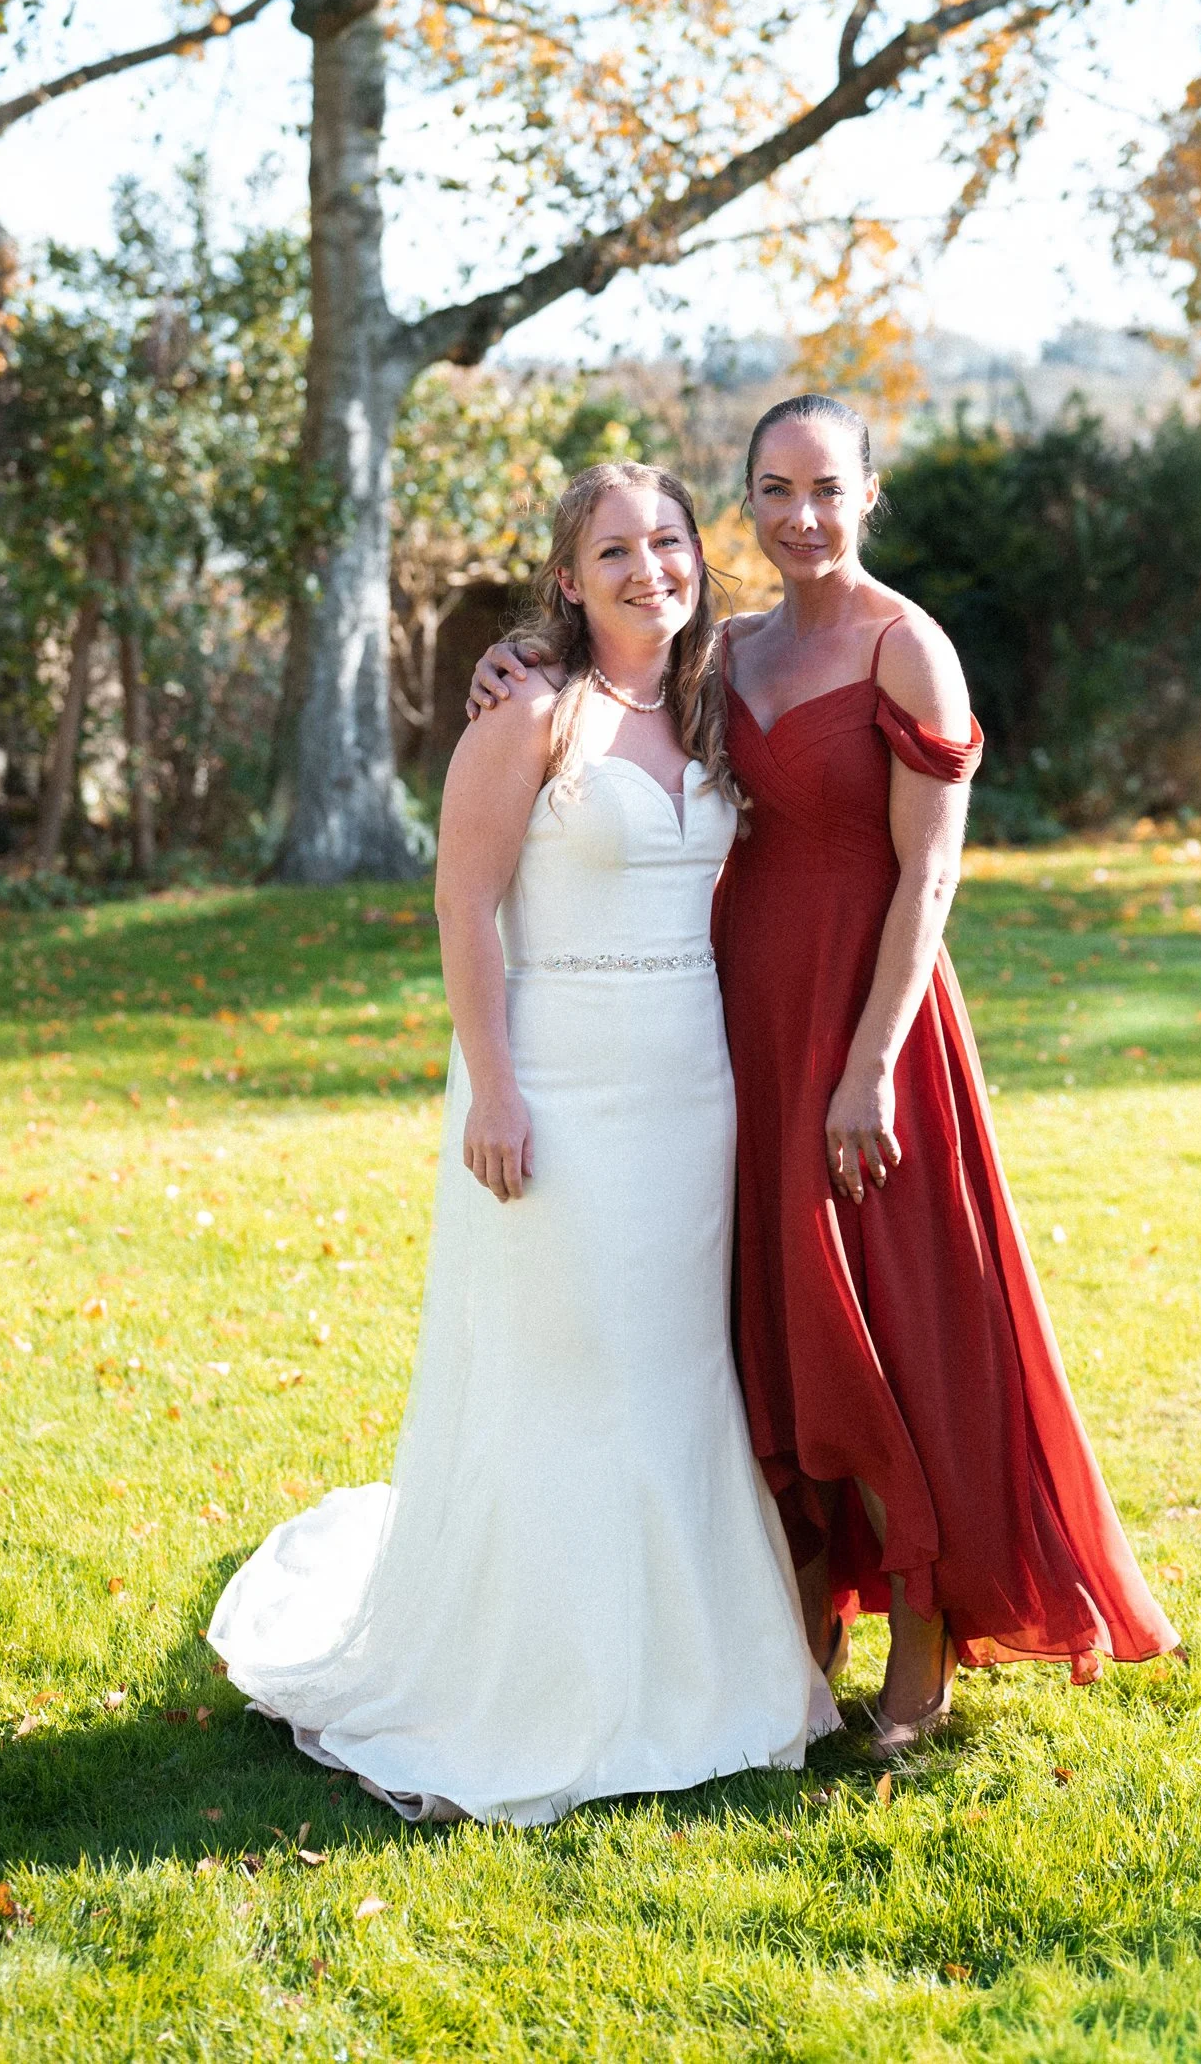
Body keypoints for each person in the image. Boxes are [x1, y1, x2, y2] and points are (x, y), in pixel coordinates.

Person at [467, 399, 1179, 1753]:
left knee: (893, 1322)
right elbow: (604, 684)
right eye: (774, 489)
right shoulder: (725, 646)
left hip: (867, 1022)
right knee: (778, 1325)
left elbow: (932, 870)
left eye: (827, 489)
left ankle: (922, 1636)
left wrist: (868, 1065)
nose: (800, 516)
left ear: (869, 495)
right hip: (739, 1015)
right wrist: (514, 658)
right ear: (747, 498)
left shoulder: (907, 648)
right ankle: (798, 1620)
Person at [210, 462, 836, 1826]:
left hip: (694, 1091)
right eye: (612, 550)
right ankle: (543, 1684)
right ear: (565, 579)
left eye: (667, 541)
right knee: (570, 1376)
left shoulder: (713, 700)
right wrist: (494, 1089)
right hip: (553, 1086)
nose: (645, 568)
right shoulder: (528, 715)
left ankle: (696, 1675)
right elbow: (464, 908)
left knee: (675, 1377)